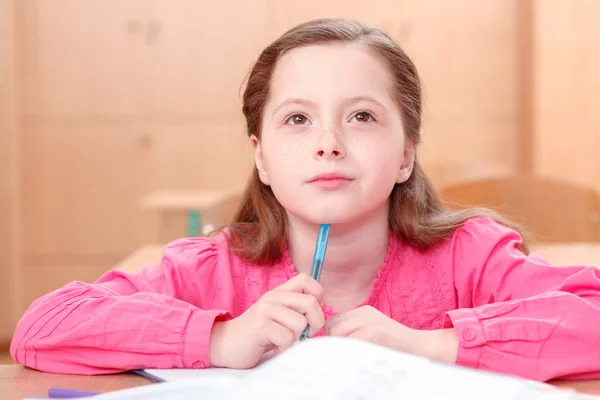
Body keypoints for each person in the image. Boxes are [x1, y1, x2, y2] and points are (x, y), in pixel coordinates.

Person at [10, 18, 600, 382]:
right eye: (297, 119)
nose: (328, 145)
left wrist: (431, 345)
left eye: (362, 117)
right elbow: (42, 326)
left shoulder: (468, 256)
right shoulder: (215, 267)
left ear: (405, 155)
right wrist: (219, 340)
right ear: (261, 157)